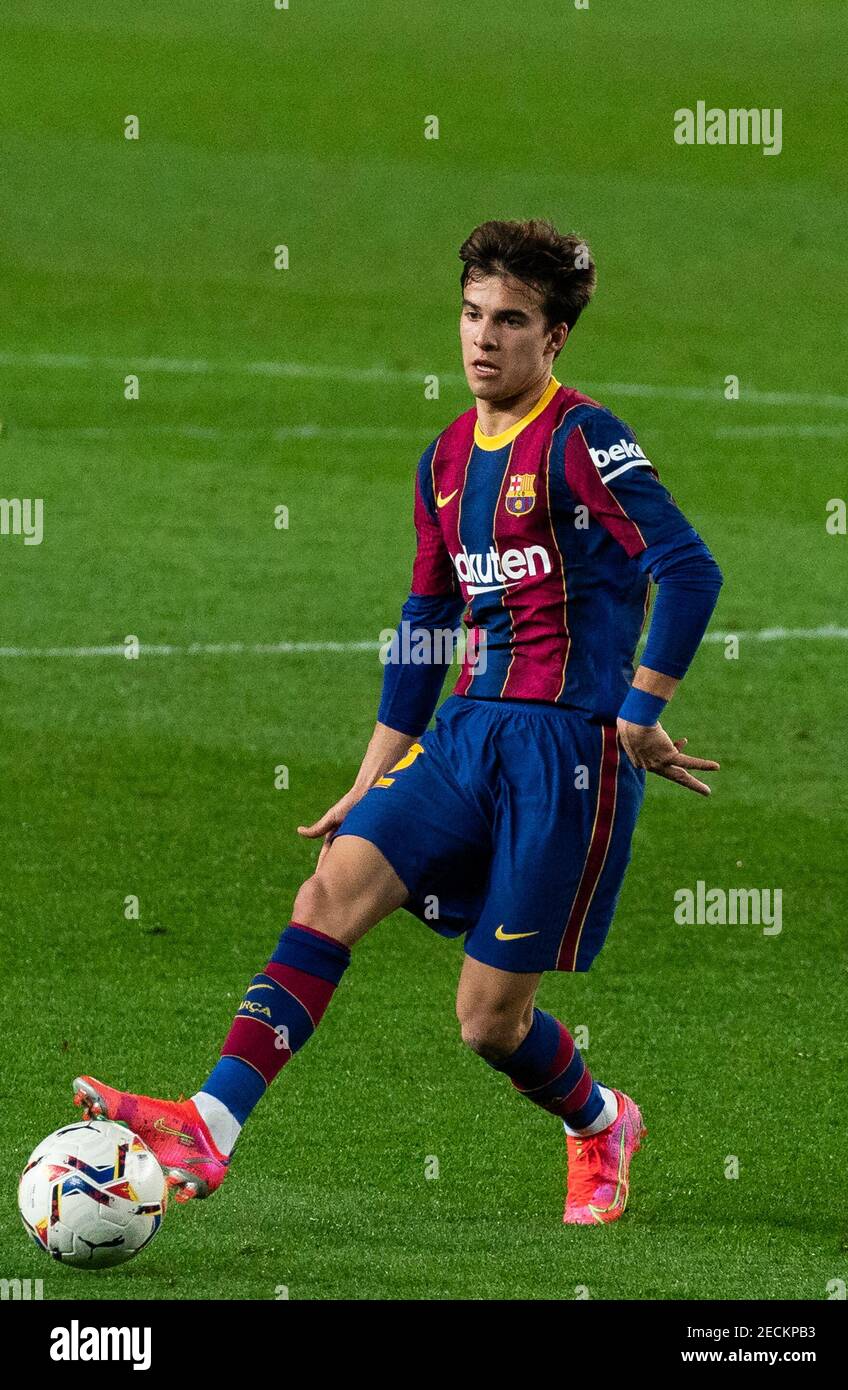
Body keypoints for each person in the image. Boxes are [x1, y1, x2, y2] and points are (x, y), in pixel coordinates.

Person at [74, 218, 723, 1226]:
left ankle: (598, 1121)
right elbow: (425, 622)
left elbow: (685, 568)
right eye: (470, 315)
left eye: (510, 321)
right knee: (329, 887)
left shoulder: (583, 440)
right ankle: (209, 1122)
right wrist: (370, 772)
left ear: (553, 340)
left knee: (487, 1020)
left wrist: (642, 710)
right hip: (462, 735)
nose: (482, 339)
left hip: (566, 755)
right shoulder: (444, 461)